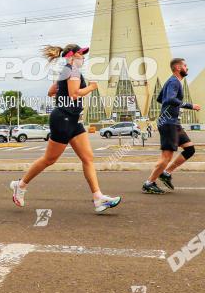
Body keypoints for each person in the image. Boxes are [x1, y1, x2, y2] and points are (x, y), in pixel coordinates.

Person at [9, 44, 121, 214]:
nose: (83, 58)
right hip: (63, 119)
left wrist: (63, 90)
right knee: (49, 159)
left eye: (83, 55)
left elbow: (50, 92)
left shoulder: (66, 71)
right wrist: (91, 87)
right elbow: (74, 94)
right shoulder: (72, 71)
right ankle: (20, 185)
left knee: (88, 158)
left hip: (73, 120)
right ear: (71, 56)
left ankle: (98, 198)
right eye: (80, 55)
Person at [143, 58, 201, 194]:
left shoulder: (172, 81)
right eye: (185, 66)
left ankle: (166, 173)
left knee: (190, 150)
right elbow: (169, 99)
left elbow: (160, 99)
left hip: (174, 123)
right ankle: (149, 183)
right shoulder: (174, 81)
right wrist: (190, 105)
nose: (187, 68)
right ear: (177, 68)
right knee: (166, 157)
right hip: (168, 124)